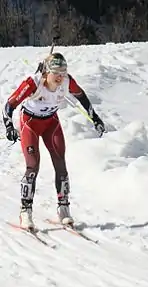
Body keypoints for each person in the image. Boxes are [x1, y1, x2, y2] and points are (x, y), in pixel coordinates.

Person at [2, 52, 105, 230]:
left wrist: (95, 118)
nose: (60, 77)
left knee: (60, 164)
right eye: (56, 72)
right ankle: (25, 211)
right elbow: (9, 105)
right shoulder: (33, 83)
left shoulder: (66, 81)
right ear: (46, 72)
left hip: (51, 123)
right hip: (30, 123)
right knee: (33, 166)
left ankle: (63, 208)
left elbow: (82, 97)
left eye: (63, 72)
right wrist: (9, 126)